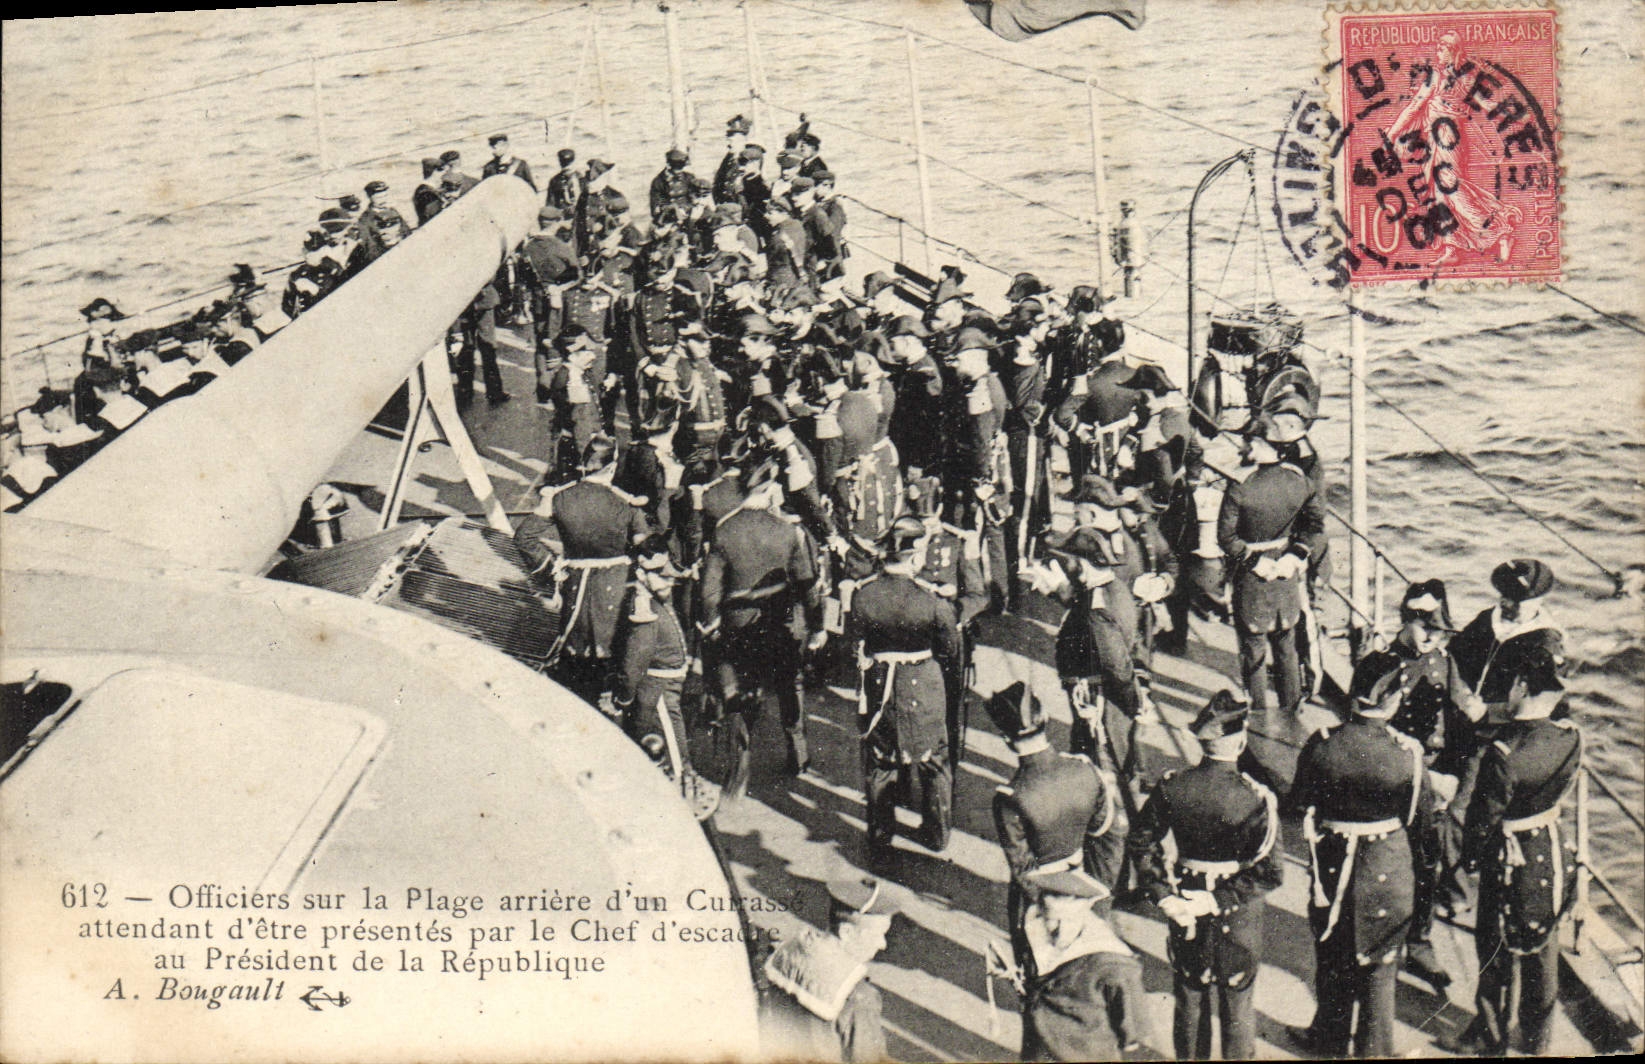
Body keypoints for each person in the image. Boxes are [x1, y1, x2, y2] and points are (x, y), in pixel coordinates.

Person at [1288, 650, 1432, 1059]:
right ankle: (1375, 1050)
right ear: (1393, 700)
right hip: (1387, 869)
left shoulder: (1321, 744)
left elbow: (1299, 801)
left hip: (1333, 868)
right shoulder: (1407, 754)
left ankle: (1329, 1040)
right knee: (1379, 969)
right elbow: (1422, 825)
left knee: (1332, 954)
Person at [1128, 690, 1283, 1060]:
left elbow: (1141, 841)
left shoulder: (1172, 786)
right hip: (1238, 910)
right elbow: (1270, 872)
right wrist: (1217, 899)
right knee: (1238, 1003)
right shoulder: (1257, 797)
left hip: (1184, 901)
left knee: (1190, 995)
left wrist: (1163, 894)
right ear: (1241, 741)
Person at [1449, 646, 1581, 1056]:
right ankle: (1537, 1040)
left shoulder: (1504, 754)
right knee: (1543, 945)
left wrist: (1471, 859)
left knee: (1493, 948)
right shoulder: (1571, 737)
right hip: (1550, 849)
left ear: (1522, 686)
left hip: (1508, 858)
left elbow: (1483, 818)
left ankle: (1490, 1037)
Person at [700, 463, 825, 798]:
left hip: (738, 624)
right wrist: (817, 627)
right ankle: (798, 755)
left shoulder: (725, 530)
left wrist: (712, 623)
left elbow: (710, 590)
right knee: (790, 685)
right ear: (769, 490)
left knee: (740, 692)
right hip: (780, 622)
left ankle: (738, 770)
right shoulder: (787, 531)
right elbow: (807, 585)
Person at [987, 682, 1125, 971]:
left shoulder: (1011, 797)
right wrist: (1097, 891)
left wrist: (1050, 904)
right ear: (1046, 719)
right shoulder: (1084, 768)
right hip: (1084, 883)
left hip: (1040, 900)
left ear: (1006, 739)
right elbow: (1108, 834)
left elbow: (1022, 868)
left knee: (1038, 970)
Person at [847, 515, 961, 864]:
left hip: (881, 686)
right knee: (935, 761)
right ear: (914, 558)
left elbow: (854, 642)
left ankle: (881, 837)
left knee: (881, 762)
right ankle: (938, 834)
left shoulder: (864, 595)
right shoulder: (932, 599)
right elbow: (950, 649)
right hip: (925, 684)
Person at [1385, 578, 1483, 986]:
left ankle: (1419, 943)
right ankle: (1383, 939)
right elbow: (1373, 737)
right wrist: (1428, 778)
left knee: (1428, 862)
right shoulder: (1381, 664)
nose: (1431, 637)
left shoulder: (1444, 661)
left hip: (1436, 779)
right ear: (1405, 620)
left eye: (1438, 631)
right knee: (1392, 864)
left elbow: (1462, 709)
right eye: (1423, 627)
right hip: (1397, 777)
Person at [515, 436, 651, 706]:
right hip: (615, 590)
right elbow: (645, 546)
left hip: (574, 587)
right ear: (612, 467)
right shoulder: (625, 503)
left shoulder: (559, 497)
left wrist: (553, 569)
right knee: (614, 652)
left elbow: (524, 538)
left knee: (573, 654)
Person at [1216, 409, 1327, 716]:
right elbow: (1315, 525)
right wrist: (1295, 555)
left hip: (1252, 576)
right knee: (1286, 645)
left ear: (1259, 444)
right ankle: (1291, 711)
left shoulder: (1241, 484)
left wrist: (1254, 561)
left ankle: (1258, 717)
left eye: (1247, 442)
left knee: (1253, 650)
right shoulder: (1298, 479)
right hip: (1286, 573)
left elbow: (1225, 538)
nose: (1243, 448)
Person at [1385, 30, 1521, 268]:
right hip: (1440, 138)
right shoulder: (1463, 77)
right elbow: (1486, 104)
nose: (1437, 51)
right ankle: (1452, 248)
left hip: (1447, 138)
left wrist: (1392, 134)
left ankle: (1500, 231)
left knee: (1452, 189)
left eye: (1442, 48)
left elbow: (1416, 107)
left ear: (1454, 51)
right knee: (1439, 193)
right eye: (1437, 47)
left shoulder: (1445, 77)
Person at [609, 534, 718, 820]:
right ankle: (681, 807)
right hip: (656, 691)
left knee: (674, 745)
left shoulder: (657, 597)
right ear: (641, 574)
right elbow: (636, 659)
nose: (668, 579)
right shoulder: (643, 607)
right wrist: (625, 697)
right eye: (660, 574)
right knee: (673, 752)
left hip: (666, 686)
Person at [1009, 867, 1149, 1062]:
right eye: (1050, 922)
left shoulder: (1114, 964)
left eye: (1064, 923)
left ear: (1083, 918)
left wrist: (1129, 1041)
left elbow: (1132, 1026)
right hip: (1039, 1051)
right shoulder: (1037, 937)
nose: (1056, 932)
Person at [761, 876, 893, 1064]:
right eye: (878, 935)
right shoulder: (860, 997)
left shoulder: (786, 953)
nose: (883, 944)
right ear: (846, 932)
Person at [356, 179, 410, 264]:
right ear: (370, 197)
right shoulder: (365, 220)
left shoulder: (393, 211)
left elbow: (406, 232)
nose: (383, 200)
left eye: (385, 196)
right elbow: (370, 249)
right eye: (378, 198)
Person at [649, 147, 697, 225]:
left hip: (688, 214)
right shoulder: (659, 181)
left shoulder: (689, 178)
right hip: (668, 218)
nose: (679, 171)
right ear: (669, 165)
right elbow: (655, 206)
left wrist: (684, 209)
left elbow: (695, 199)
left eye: (680, 168)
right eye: (676, 168)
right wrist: (671, 210)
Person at [547, 147, 584, 212]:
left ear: (560, 162)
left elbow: (550, 205)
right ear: (573, 160)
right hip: (579, 213)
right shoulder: (581, 177)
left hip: (561, 214)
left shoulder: (554, 180)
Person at [413, 157, 446, 224]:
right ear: (434, 172)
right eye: (442, 170)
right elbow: (435, 217)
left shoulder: (425, 189)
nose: (445, 173)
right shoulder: (426, 193)